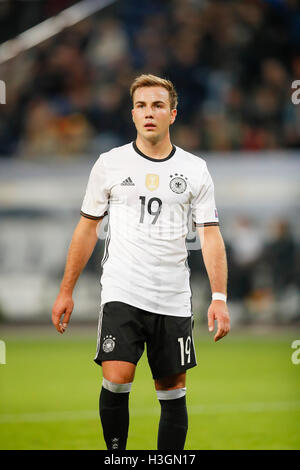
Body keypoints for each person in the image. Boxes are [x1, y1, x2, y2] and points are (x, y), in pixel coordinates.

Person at [52, 74, 230, 450]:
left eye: (158, 105)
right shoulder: (109, 164)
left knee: (172, 390)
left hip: (173, 295)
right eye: (141, 106)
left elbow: (210, 235)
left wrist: (219, 297)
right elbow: (86, 229)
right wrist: (66, 291)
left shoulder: (195, 169)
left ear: (173, 114)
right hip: (122, 289)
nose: (149, 112)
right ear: (133, 114)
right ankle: (117, 457)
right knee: (117, 378)